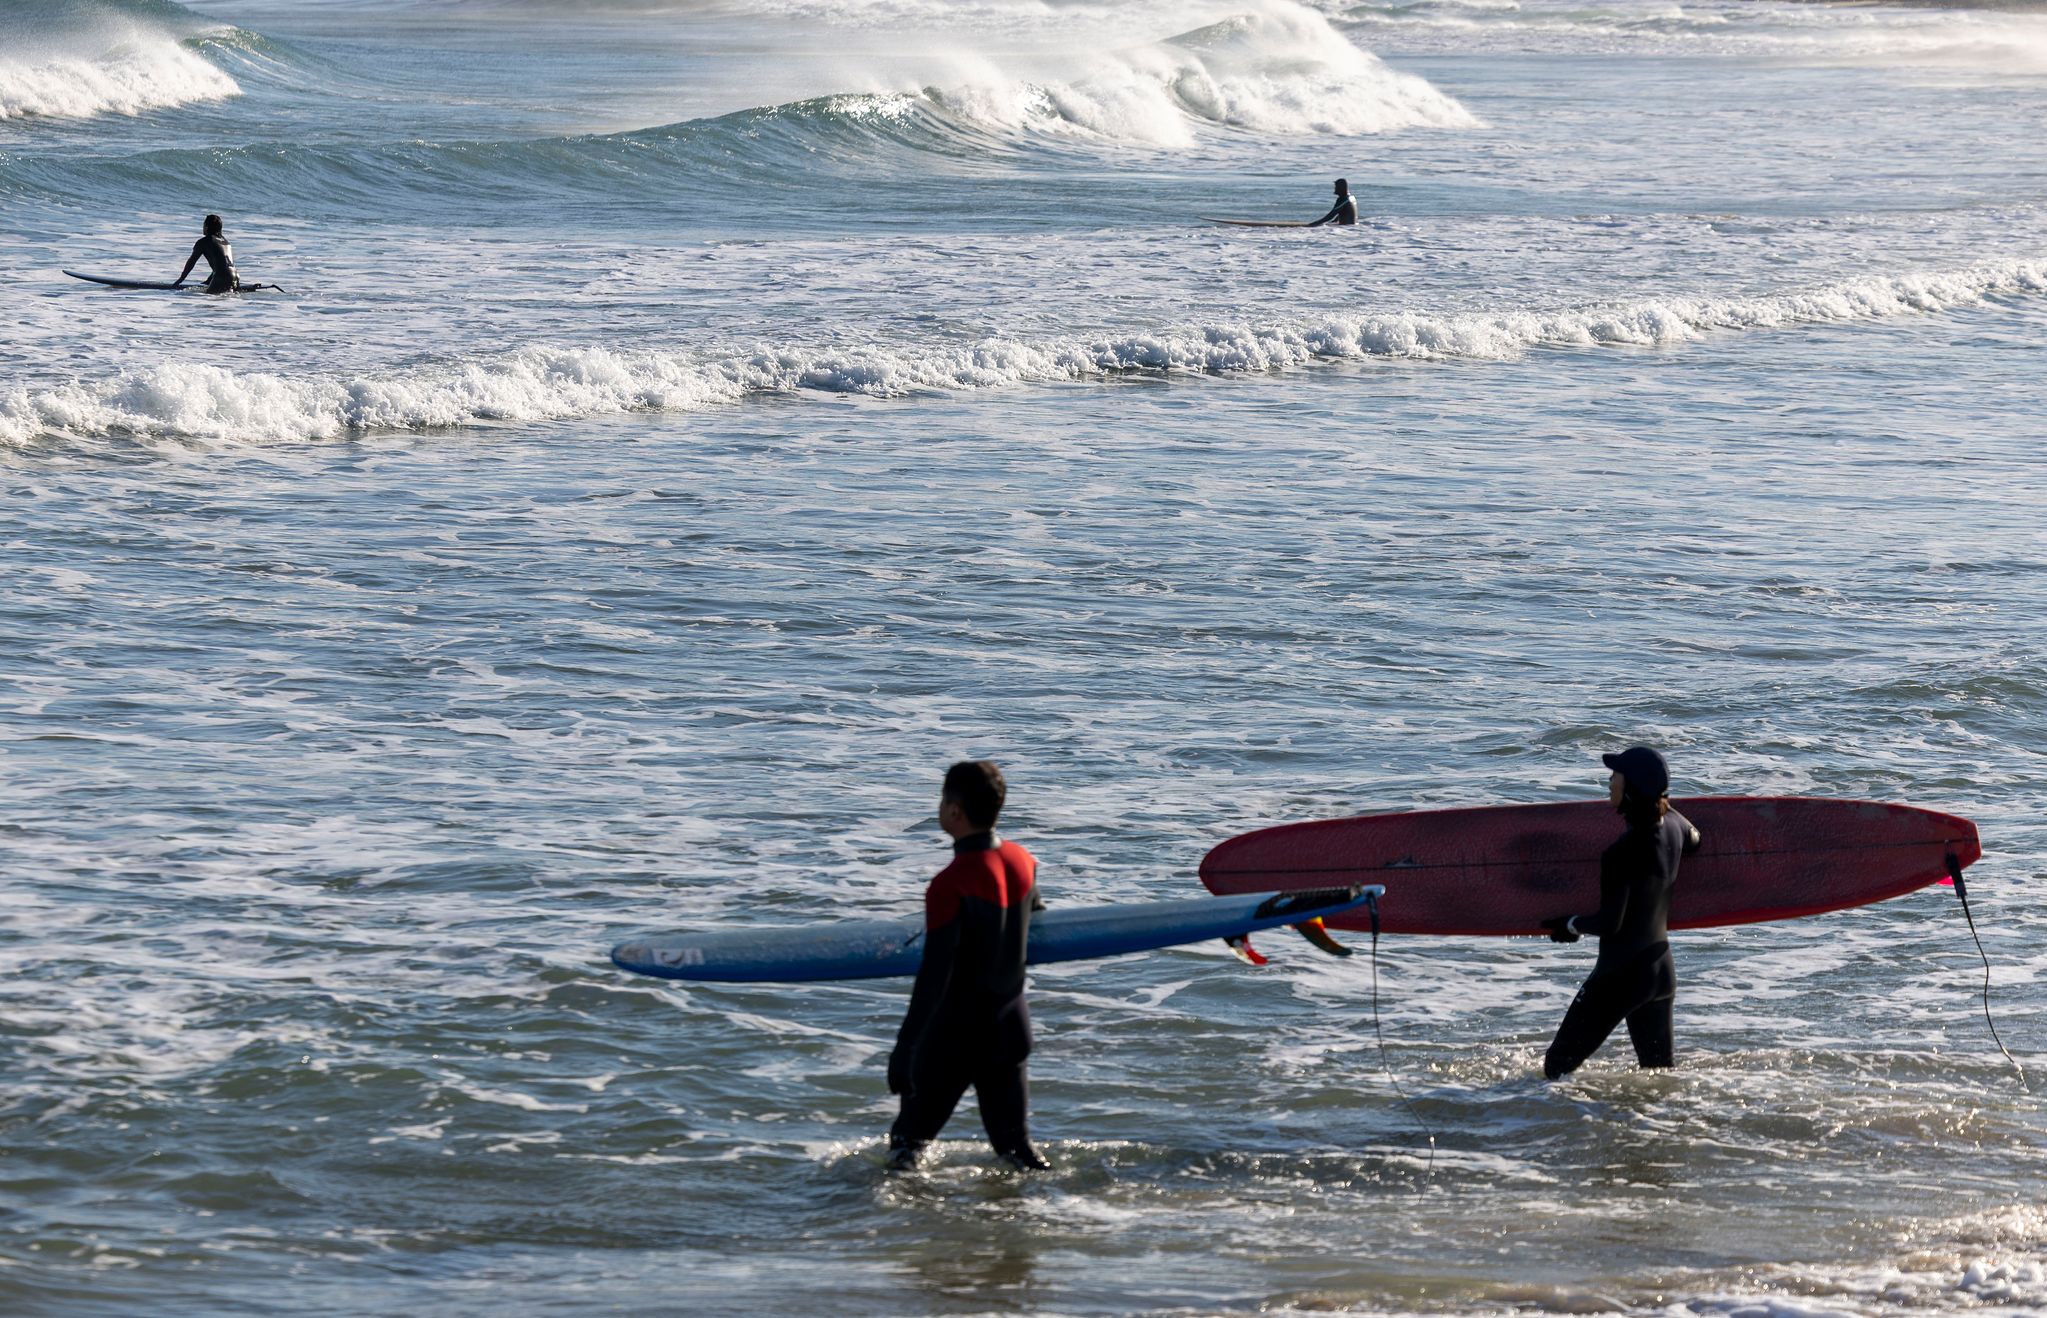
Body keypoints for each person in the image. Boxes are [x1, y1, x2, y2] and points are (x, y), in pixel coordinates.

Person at [887, 760, 1051, 1172]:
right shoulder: (1023, 861)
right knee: (1016, 1152)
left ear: (954, 812)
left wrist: (905, 1050)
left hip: (955, 1037)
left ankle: (885, 1229)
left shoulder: (950, 883)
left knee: (907, 1146)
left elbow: (935, 975)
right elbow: (1037, 922)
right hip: (1011, 1027)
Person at [1540, 746, 1701, 1079]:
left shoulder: (1620, 853)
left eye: (1616, 776)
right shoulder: (1674, 825)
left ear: (1632, 789)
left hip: (1620, 976)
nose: (1610, 781)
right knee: (1658, 1077)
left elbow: (1610, 923)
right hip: (1659, 971)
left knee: (1556, 1067)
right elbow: (1696, 838)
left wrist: (1569, 924)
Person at [175, 214, 240, 294]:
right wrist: (209, 281)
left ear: (206, 227)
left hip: (221, 277)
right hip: (235, 276)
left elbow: (191, 262)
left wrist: (180, 280)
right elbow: (222, 265)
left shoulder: (204, 242)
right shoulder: (226, 242)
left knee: (208, 301)